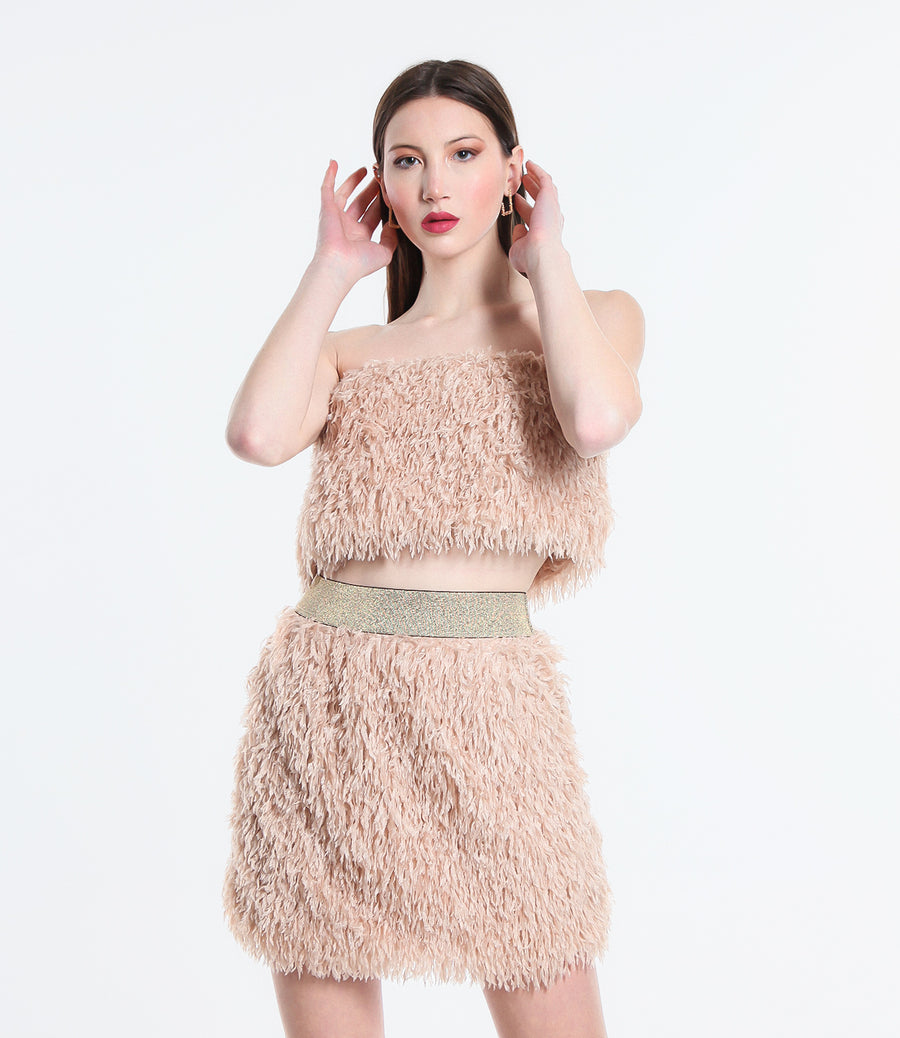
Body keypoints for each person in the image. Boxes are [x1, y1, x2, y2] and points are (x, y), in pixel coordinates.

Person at [222, 58, 644, 1038]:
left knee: (549, 977)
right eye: (406, 161)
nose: (434, 183)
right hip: (327, 706)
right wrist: (332, 271)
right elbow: (256, 436)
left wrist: (546, 259)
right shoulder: (352, 352)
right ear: (382, 184)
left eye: (463, 154)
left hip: (491, 706)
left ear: (513, 170)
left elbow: (594, 419)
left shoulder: (592, 317)